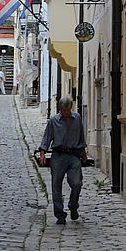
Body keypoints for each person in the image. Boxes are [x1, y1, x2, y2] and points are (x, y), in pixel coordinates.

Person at [38, 95, 87, 224]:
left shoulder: (77, 118)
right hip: (58, 156)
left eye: (68, 110)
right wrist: (42, 153)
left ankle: (73, 205)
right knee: (56, 185)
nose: (65, 113)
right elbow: (46, 138)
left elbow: (81, 136)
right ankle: (60, 215)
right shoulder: (53, 121)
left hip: (73, 155)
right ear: (60, 108)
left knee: (77, 183)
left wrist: (83, 152)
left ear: (71, 108)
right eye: (63, 110)